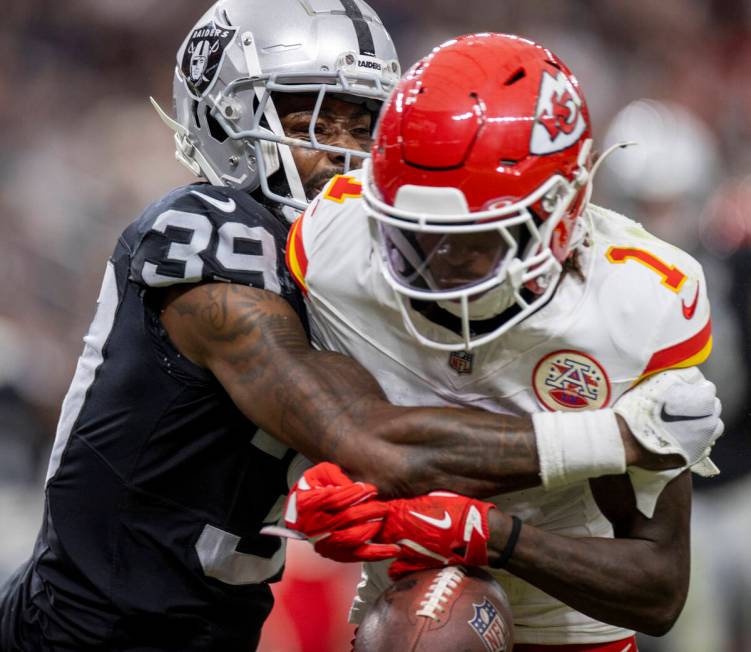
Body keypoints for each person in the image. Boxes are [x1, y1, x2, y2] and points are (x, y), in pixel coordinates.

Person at [0, 6, 719, 650]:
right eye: (310, 121)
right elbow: (372, 436)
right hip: (86, 625)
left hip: (213, 619)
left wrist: (375, 498)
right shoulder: (210, 232)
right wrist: (619, 434)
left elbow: (371, 432)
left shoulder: (356, 243)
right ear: (223, 115)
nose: (341, 153)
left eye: (360, 123)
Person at [281, 33, 724, 650]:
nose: (438, 265)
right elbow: (323, 418)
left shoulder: (633, 304)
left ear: (564, 210)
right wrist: (312, 477)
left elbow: (658, 589)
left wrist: (492, 535)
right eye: (413, 238)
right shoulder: (334, 246)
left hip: (570, 615)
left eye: (475, 240)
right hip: (403, 593)